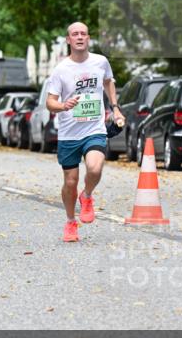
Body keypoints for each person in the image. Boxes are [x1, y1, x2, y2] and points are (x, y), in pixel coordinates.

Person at [45, 22, 125, 242]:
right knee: (70, 182)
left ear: (88, 38)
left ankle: (87, 195)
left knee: (95, 167)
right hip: (69, 133)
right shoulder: (61, 69)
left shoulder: (100, 62)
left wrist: (115, 108)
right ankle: (71, 221)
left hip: (94, 129)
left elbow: (108, 82)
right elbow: (50, 102)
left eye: (83, 33)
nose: (79, 37)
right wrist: (63, 105)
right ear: (68, 40)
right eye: (75, 34)